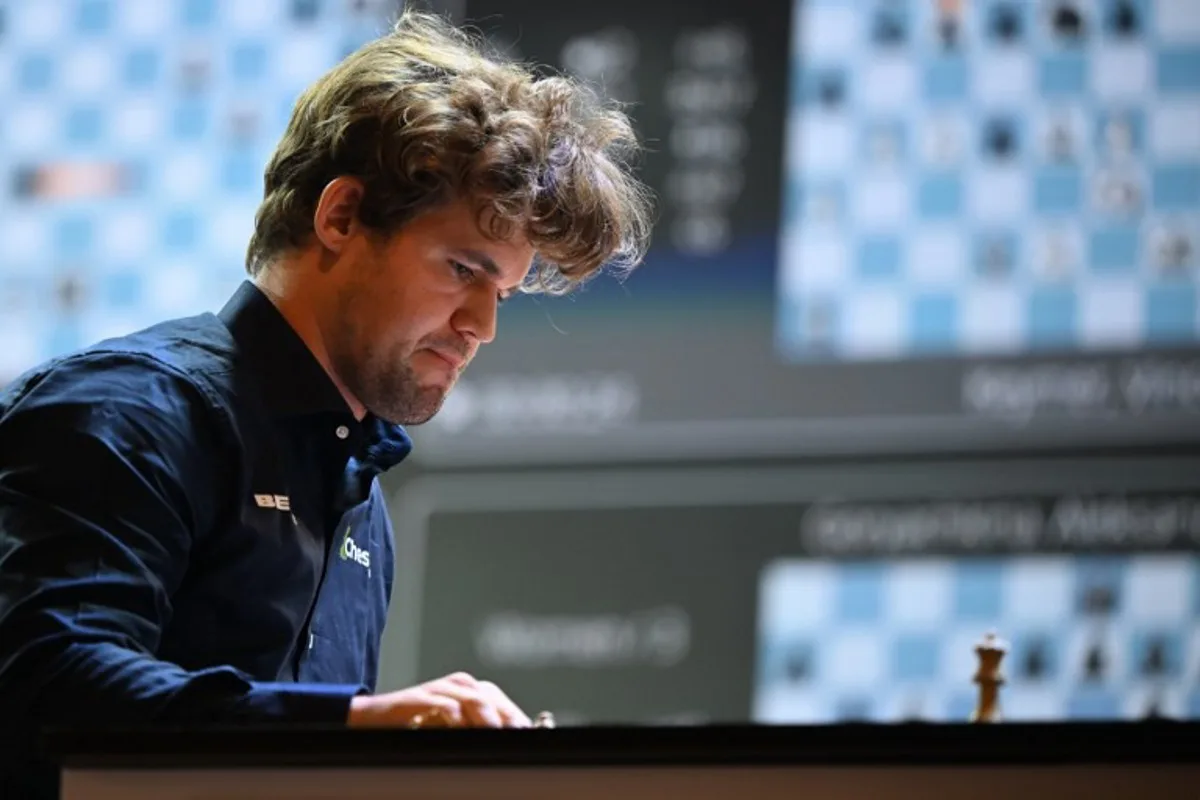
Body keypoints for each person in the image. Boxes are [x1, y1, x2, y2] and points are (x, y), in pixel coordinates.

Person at [0, 8, 652, 796]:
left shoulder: (360, 503)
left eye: (502, 295)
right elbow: (46, 687)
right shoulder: (129, 413)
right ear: (340, 216)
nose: (481, 326)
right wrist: (353, 726)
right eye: (460, 269)